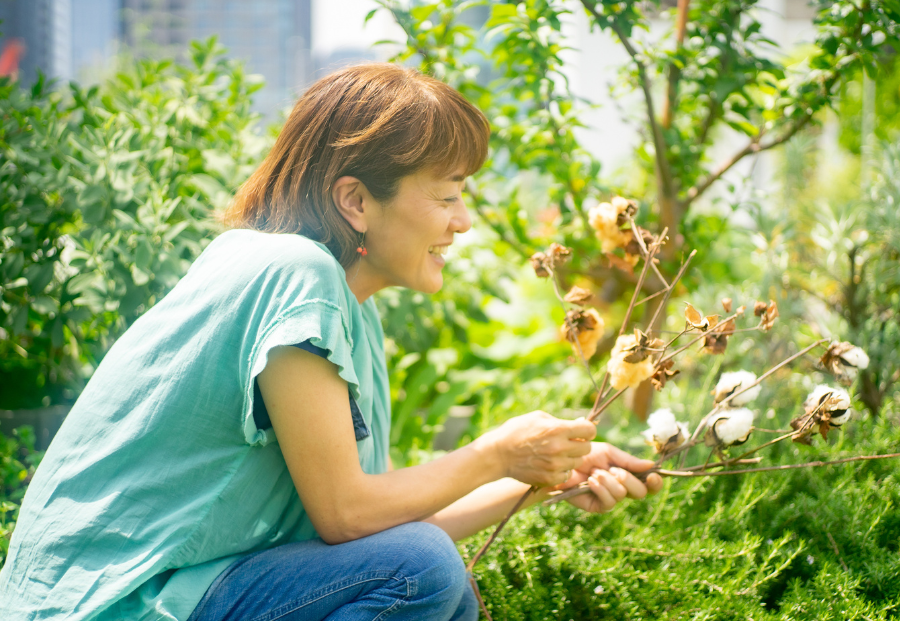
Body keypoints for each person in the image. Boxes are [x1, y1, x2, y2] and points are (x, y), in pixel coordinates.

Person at [0, 63, 662, 621]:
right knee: (428, 573)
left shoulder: (342, 307)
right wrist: (496, 453)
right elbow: (349, 518)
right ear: (355, 201)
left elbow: (370, 531)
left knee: (443, 580)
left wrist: (540, 477)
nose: (462, 222)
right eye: (448, 195)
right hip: (110, 604)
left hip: (178, 592)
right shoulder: (295, 278)